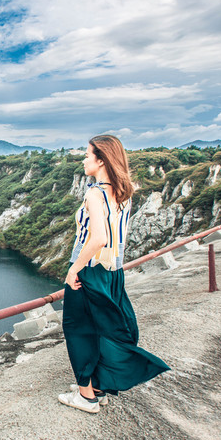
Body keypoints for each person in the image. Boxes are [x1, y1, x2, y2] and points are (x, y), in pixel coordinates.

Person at [58, 134, 170, 413]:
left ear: (100, 159)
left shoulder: (95, 194)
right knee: (103, 330)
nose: (83, 159)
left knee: (78, 330)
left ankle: (85, 396)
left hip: (91, 271)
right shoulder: (124, 192)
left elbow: (98, 238)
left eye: (87, 155)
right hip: (113, 273)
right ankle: (97, 386)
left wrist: (75, 268)